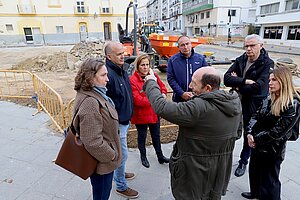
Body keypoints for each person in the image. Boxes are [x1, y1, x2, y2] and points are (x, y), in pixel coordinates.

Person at [143, 66, 242, 200]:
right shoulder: (234, 102)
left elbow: (161, 107)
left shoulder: (198, 108)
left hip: (194, 172)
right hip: (219, 171)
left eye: (194, 83)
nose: (190, 86)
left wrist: (151, 82)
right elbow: (237, 134)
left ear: (207, 88)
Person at [241, 66, 300, 200]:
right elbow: (255, 115)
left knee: (270, 180)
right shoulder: (269, 97)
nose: (270, 83)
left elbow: (278, 132)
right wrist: (249, 133)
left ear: (283, 81)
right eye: (269, 80)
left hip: (273, 148)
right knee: (255, 172)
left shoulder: (292, 104)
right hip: (257, 144)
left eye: (274, 80)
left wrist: (255, 139)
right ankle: (255, 193)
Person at [223, 34, 274, 177]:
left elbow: (260, 86)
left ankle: (243, 161)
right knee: (230, 129)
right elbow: (227, 79)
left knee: (249, 133)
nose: (249, 49)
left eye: (252, 45)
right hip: (237, 101)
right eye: (246, 46)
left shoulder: (267, 63)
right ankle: (225, 158)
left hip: (254, 104)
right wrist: (245, 81)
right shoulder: (241, 59)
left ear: (261, 46)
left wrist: (238, 84)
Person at [73, 59, 122, 200]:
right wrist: (111, 155)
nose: (107, 79)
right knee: (101, 195)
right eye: (103, 75)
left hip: (103, 160)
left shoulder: (96, 93)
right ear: (90, 77)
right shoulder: (90, 102)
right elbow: (92, 141)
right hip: (102, 164)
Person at [104, 41, 139, 199]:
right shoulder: (107, 75)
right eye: (118, 54)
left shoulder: (121, 69)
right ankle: (120, 185)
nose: (123, 56)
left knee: (121, 155)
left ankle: (120, 172)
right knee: (121, 154)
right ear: (108, 56)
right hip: (117, 124)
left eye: (123, 52)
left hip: (125, 119)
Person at [129, 54, 169, 168]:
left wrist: (163, 94)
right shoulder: (132, 80)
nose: (145, 67)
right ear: (138, 66)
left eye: (147, 65)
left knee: (156, 136)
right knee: (142, 137)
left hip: (154, 113)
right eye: (143, 65)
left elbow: (163, 88)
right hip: (141, 115)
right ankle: (143, 156)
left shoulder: (153, 76)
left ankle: (160, 156)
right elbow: (138, 100)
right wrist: (156, 98)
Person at [167, 35, 208, 102]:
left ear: (191, 44)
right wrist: (181, 93)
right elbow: (171, 79)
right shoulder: (172, 61)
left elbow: (206, 77)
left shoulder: (201, 59)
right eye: (182, 45)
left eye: (187, 44)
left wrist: (197, 92)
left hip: (197, 99)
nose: (185, 47)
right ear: (178, 47)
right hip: (179, 99)